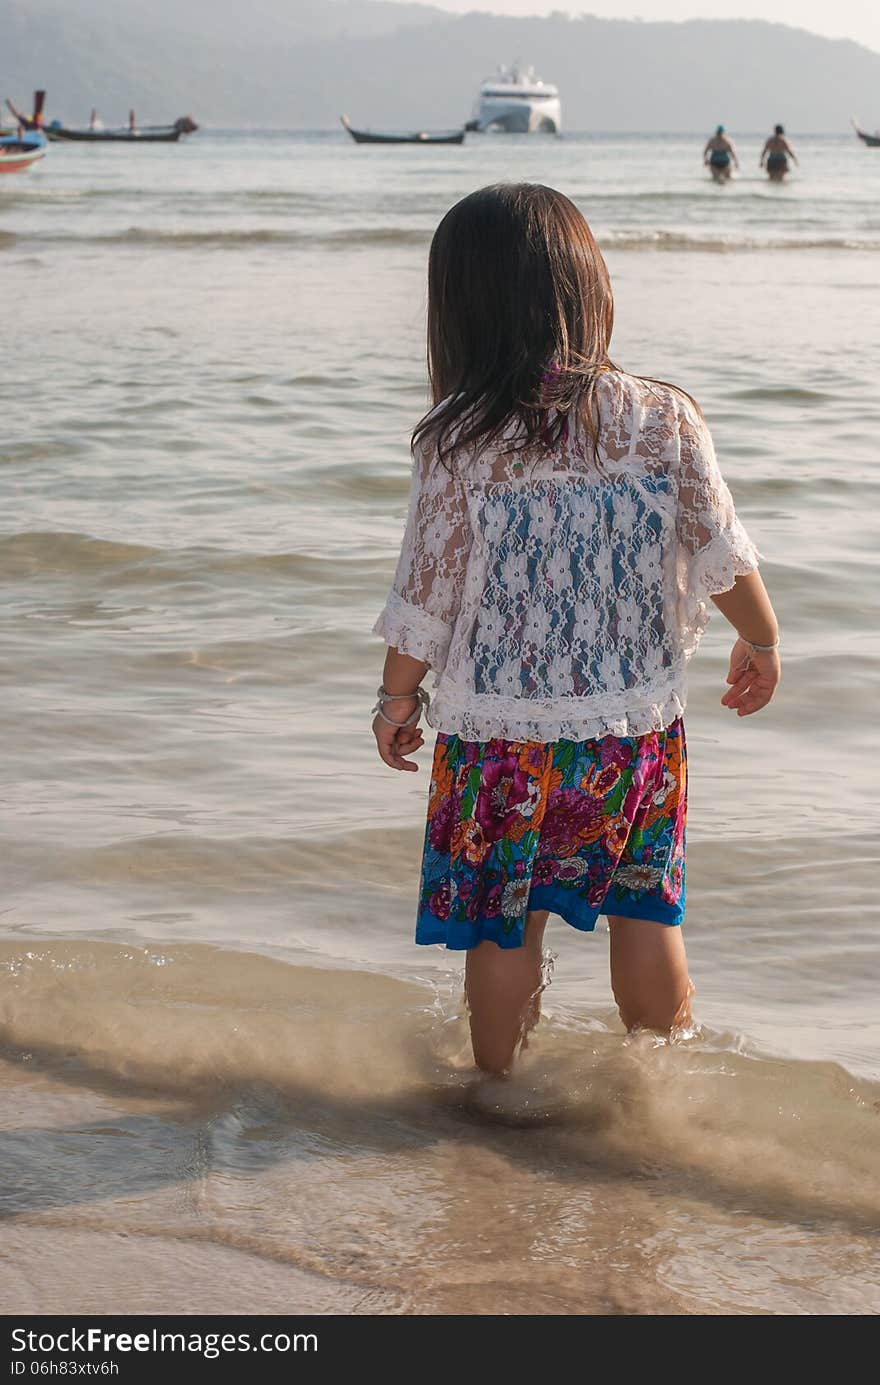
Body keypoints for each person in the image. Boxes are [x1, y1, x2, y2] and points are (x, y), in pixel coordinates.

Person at [372, 184, 780, 1076]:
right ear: (589, 290)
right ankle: (663, 1092)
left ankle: (498, 1095)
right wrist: (763, 639)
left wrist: (397, 699)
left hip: (500, 739)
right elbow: (720, 547)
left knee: (505, 919)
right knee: (646, 910)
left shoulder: (456, 440)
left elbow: (427, 589)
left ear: (461, 311)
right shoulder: (664, 416)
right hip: (631, 731)